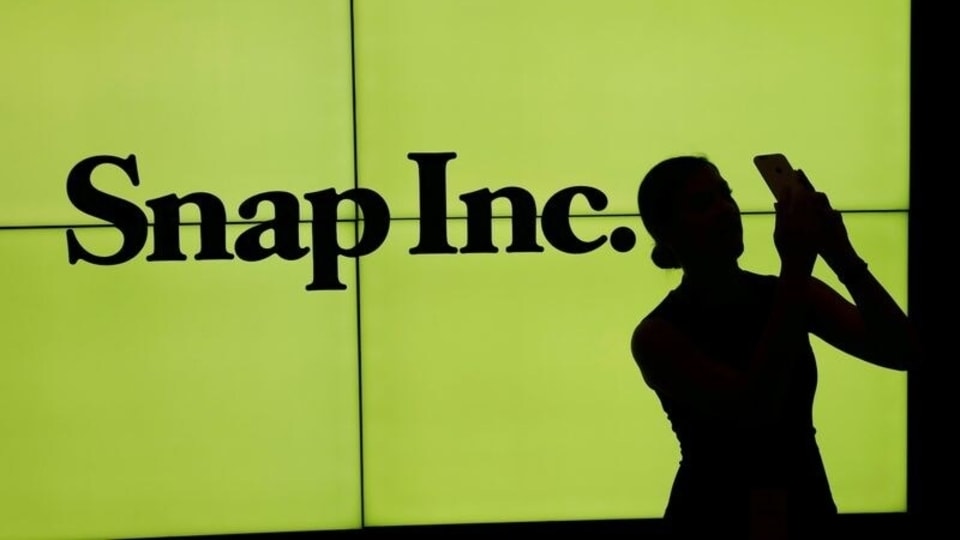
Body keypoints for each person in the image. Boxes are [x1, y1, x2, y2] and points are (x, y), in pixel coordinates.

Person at [629, 155, 919, 539]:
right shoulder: (657, 337)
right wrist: (799, 265)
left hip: (786, 510)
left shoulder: (788, 293)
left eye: (726, 195)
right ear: (666, 231)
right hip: (721, 521)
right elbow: (754, 408)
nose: (726, 210)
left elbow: (904, 352)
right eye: (703, 204)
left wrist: (841, 255)